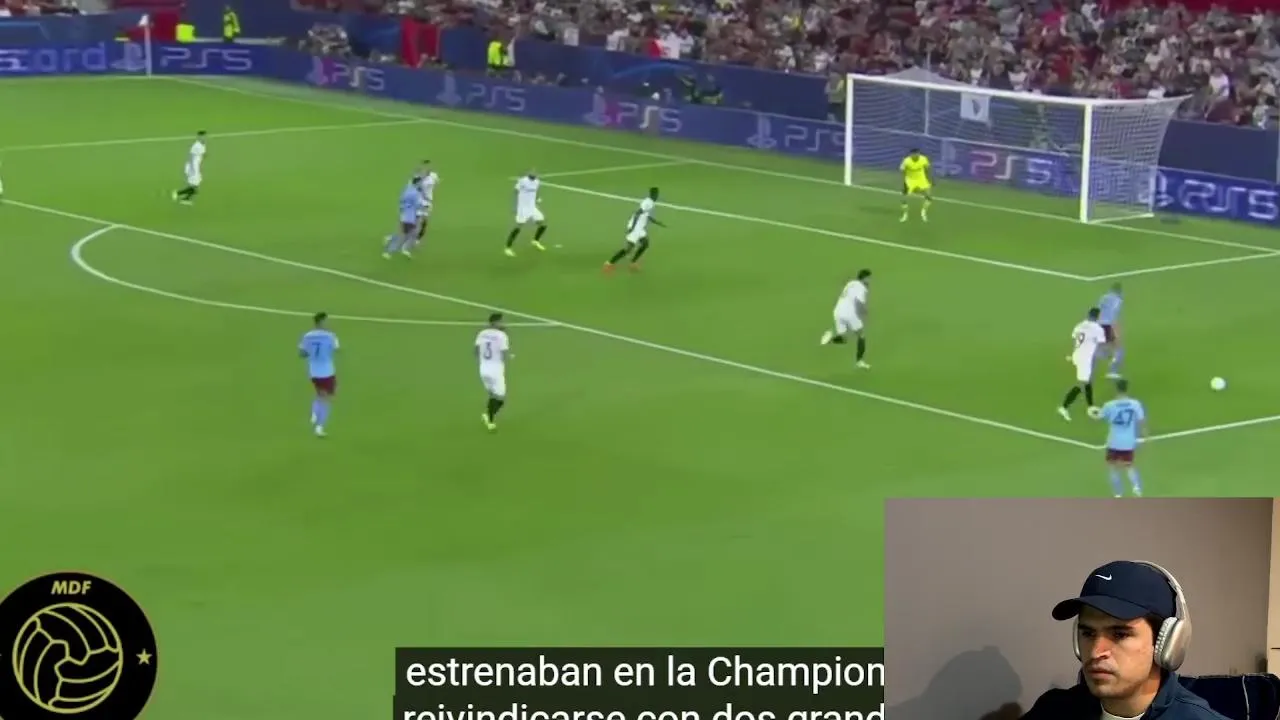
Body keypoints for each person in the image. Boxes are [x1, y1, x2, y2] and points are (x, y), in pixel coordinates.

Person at [1020, 561, 1228, 720]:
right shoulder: (1052, 710)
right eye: (1088, 633)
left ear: (1166, 644)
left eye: (1120, 634)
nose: (1095, 652)